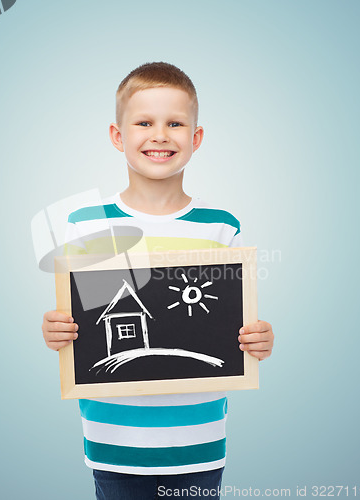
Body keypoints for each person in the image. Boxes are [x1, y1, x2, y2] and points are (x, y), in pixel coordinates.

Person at [42, 62, 274, 499]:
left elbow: (234, 321)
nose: (160, 135)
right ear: (118, 136)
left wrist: (259, 339)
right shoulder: (87, 225)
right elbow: (85, 320)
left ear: (196, 138)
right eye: (144, 122)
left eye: (175, 123)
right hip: (114, 440)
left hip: (198, 439)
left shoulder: (221, 226)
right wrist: (57, 330)